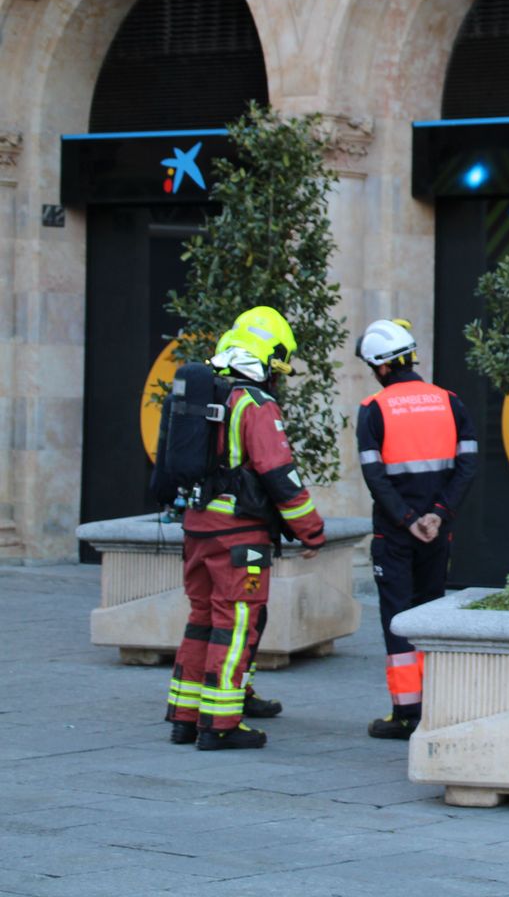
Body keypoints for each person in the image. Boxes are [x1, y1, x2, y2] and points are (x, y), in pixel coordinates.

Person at [165, 306, 327, 750]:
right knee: (236, 625)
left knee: (201, 619)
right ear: (268, 359)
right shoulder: (255, 404)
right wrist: (310, 531)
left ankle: (185, 715)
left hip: (197, 527)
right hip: (239, 536)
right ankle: (221, 724)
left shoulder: (204, 398)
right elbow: (280, 476)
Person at [355, 318, 478, 740]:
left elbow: (376, 477)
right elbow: (467, 466)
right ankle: (433, 704)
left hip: (394, 535)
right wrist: (438, 515)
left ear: (382, 366)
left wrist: (408, 520)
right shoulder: (450, 401)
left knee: (398, 616)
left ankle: (406, 713)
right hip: (437, 531)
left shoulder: (374, 409)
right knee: (429, 612)